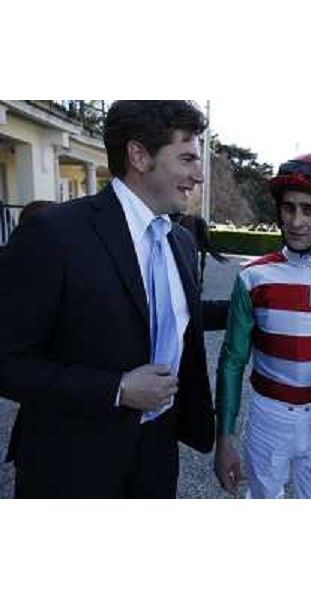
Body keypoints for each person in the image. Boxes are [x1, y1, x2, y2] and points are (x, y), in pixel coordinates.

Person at [0, 101, 215, 498]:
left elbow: (174, 321)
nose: (198, 174)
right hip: (71, 464)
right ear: (139, 155)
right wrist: (115, 388)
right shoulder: (53, 234)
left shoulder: (181, 242)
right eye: (187, 158)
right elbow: (7, 362)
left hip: (156, 459)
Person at [214, 153, 311, 498]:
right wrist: (223, 438)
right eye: (288, 208)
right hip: (267, 418)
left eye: (309, 210)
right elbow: (232, 359)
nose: (296, 221)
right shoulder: (253, 276)